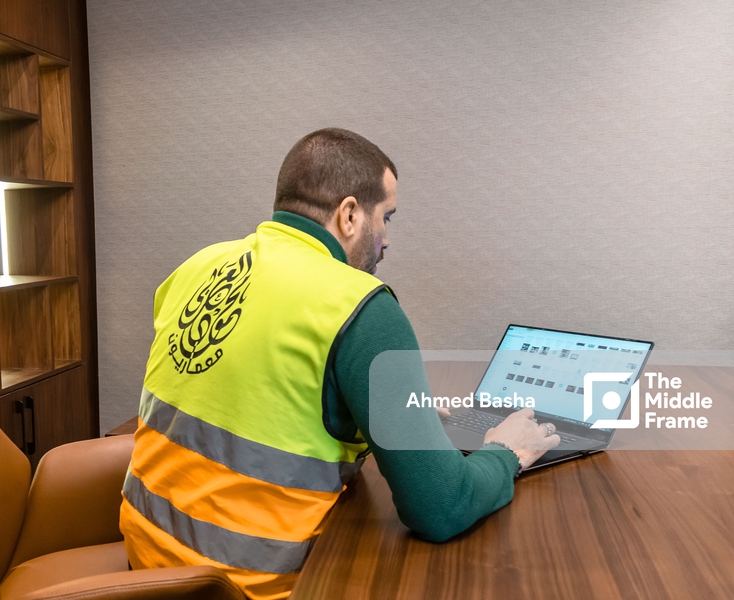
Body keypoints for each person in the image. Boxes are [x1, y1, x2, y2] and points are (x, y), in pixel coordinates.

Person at [119, 128, 559, 600]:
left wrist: (393, 416)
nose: (387, 239)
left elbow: (255, 392)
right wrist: (505, 452)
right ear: (349, 215)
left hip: (146, 559)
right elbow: (442, 508)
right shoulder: (359, 305)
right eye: (385, 217)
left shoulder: (198, 265)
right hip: (246, 584)